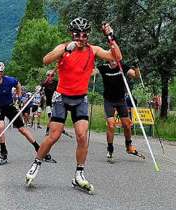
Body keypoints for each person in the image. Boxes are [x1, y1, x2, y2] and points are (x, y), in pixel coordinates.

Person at [25, 18, 122, 192]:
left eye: (85, 35)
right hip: (62, 97)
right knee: (54, 136)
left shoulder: (93, 50)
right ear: (72, 34)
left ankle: (79, 174)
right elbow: (46, 60)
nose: (81, 38)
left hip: (80, 99)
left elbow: (117, 57)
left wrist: (110, 37)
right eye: (77, 34)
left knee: (82, 136)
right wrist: (64, 49)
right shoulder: (64, 47)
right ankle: (36, 163)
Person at [0, 61, 53, 165]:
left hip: (9, 106)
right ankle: (3, 151)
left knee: (22, 129)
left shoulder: (10, 81)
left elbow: (18, 85)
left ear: (2, 73)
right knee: (1, 127)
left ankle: (38, 149)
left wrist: (19, 96)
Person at [95, 60, 144, 161]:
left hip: (121, 100)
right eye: (111, 59)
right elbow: (91, 72)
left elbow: (136, 76)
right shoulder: (103, 67)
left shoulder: (122, 67)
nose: (113, 62)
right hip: (109, 100)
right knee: (111, 124)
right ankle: (110, 148)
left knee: (127, 124)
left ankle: (129, 146)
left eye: (115, 60)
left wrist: (136, 67)